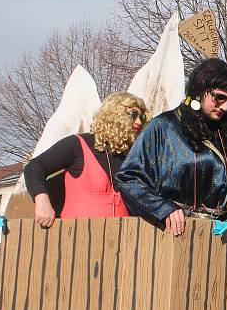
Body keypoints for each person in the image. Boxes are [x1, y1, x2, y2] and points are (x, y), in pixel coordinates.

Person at [115, 58, 227, 240]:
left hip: (218, 240)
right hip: (169, 234)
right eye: (219, 97)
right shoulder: (164, 126)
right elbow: (128, 178)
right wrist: (163, 209)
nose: (225, 106)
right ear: (198, 91)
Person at [25, 92, 149, 228]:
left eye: (141, 117)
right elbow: (34, 167)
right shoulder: (78, 144)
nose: (138, 122)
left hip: (123, 239)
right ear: (114, 113)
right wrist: (42, 201)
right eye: (133, 115)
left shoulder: (134, 158)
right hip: (78, 238)